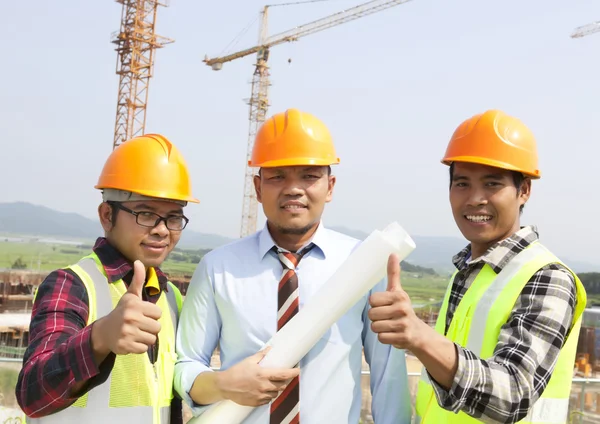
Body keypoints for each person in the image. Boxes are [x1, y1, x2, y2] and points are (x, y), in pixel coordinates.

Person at [174, 108, 412, 424]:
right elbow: (187, 362)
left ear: (330, 187)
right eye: (277, 176)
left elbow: (387, 377)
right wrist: (222, 384)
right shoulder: (218, 268)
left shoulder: (363, 266)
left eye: (309, 175)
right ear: (258, 188)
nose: (293, 188)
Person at [368, 109, 587, 424]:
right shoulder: (466, 271)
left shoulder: (548, 277)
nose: (475, 199)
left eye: (492, 184)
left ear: (524, 190)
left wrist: (419, 334)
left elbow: (514, 394)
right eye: (462, 184)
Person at [16, 134, 200, 423]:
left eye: (174, 217)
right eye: (146, 213)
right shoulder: (72, 285)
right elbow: (32, 395)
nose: (162, 230)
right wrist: (99, 338)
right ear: (107, 215)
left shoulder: (171, 298)